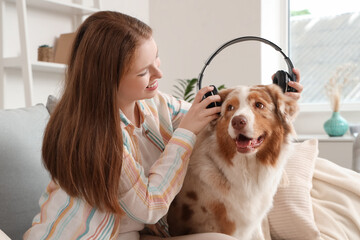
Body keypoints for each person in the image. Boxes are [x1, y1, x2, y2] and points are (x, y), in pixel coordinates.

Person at [24, 11, 302, 240]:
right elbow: (150, 208)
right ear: (109, 80)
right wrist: (185, 133)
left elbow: (216, 114)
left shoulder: (153, 103)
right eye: (144, 71)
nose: (160, 73)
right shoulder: (98, 140)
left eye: (156, 57)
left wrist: (279, 101)